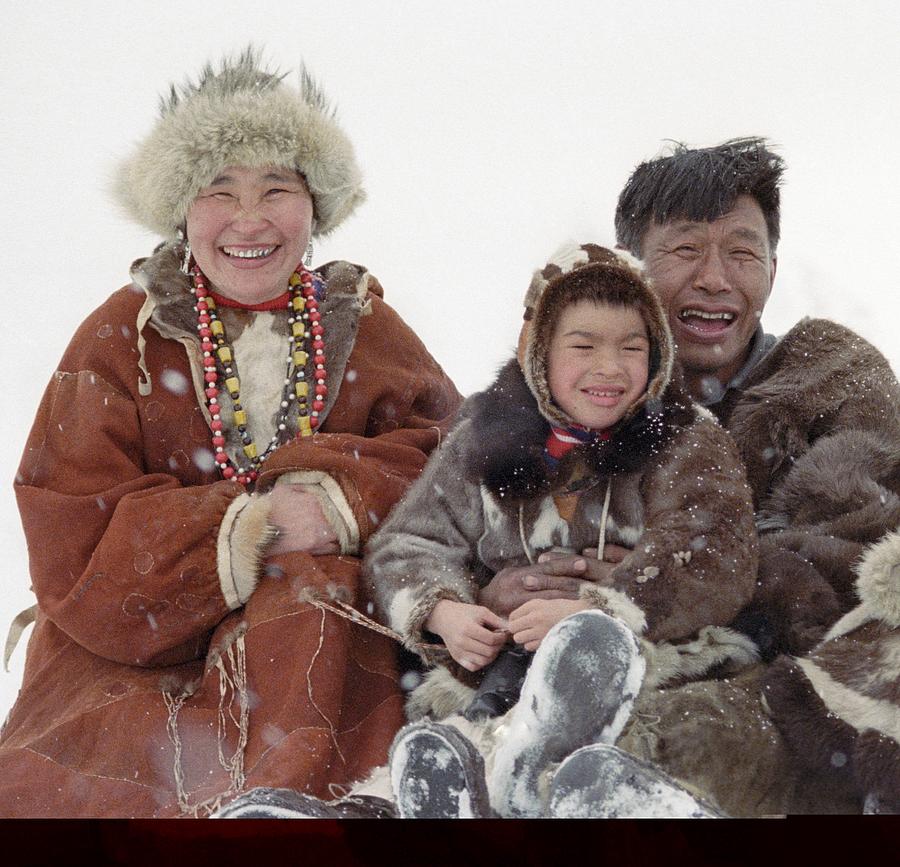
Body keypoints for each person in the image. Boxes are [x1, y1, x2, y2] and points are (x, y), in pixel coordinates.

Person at [0, 49, 460, 817]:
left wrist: (339, 500)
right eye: (221, 191)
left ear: (314, 209)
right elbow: (72, 517)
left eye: (277, 189)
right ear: (182, 209)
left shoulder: (365, 324)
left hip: (329, 646)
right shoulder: (121, 336)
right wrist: (248, 530)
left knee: (318, 615)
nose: (250, 220)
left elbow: (452, 462)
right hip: (144, 651)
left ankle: (300, 798)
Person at [216, 243, 758, 819]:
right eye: (583, 346)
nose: (610, 367)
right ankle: (364, 813)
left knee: (620, 723)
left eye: (632, 347)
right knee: (461, 730)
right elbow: (408, 543)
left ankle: (533, 774)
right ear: (539, 355)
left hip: (652, 661)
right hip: (502, 669)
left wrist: (602, 609)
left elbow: (715, 552)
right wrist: (442, 610)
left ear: (658, 356)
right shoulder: (488, 436)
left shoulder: (686, 440)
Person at [470, 138, 900, 815]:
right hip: (595, 660)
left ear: (774, 267)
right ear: (633, 273)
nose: (713, 278)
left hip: (786, 682)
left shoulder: (835, 372)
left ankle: (607, 789)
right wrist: (498, 587)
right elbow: (475, 518)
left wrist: (673, 580)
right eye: (683, 250)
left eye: (741, 251)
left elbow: (859, 550)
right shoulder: (580, 397)